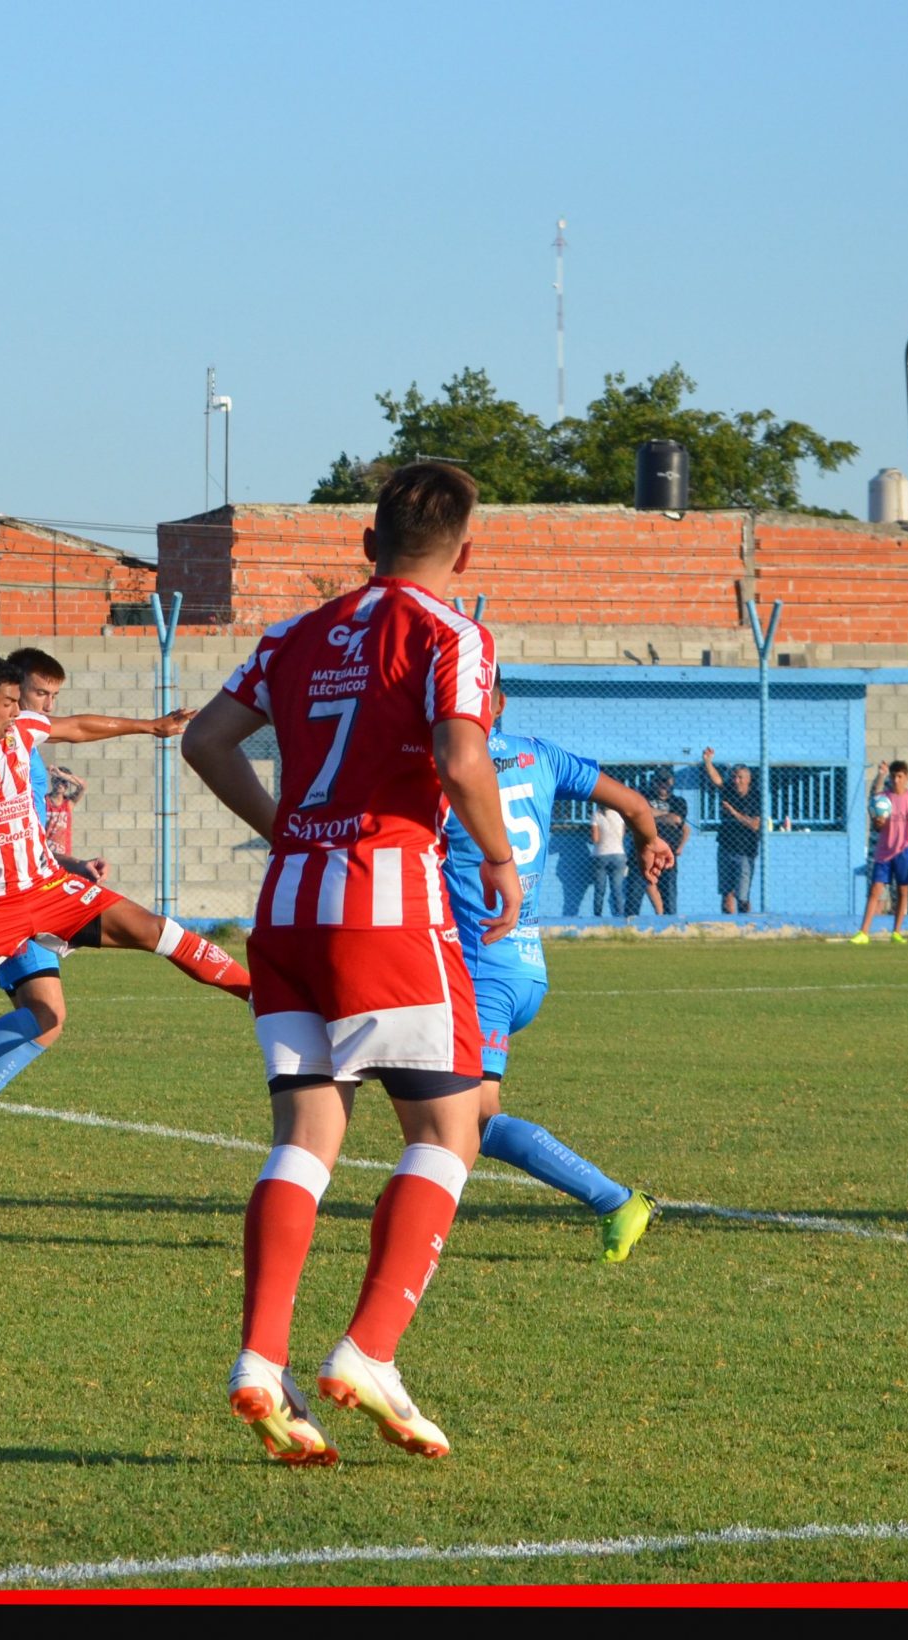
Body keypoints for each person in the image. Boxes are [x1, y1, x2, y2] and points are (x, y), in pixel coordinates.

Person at [180, 460, 516, 1467]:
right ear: (464, 553)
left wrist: (287, 827)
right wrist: (498, 856)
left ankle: (259, 1359)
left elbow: (204, 742)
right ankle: (370, 1348)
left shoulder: (292, 636)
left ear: (365, 546)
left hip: (286, 907)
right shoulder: (450, 632)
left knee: (309, 1129)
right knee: (451, 1125)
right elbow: (459, 758)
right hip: (385, 900)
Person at [0, 656, 248, 1155]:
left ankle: (257, 995)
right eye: (14, 701)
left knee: (152, 930)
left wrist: (150, 727)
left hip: (50, 889)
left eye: (26, 700)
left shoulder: (22, 733)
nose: (23, 711)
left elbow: (77, 726)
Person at [443, 687, 668, 1261]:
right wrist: (649, 843)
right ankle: (414, 1210)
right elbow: (638, 806)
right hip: (526, 967)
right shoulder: (541, 755)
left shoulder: (439, 765)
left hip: (479, 966)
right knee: (436, 1102)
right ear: (499, 704)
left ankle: (615, 1200)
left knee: (476, 1117)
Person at [0, 646, 139, 1137]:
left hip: (42, 887)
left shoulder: (26, 750)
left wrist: (72, 864)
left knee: (48, 1019)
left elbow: (25, 835)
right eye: (37, 694)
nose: (46, 706)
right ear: (8, 694)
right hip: (4, 903)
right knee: (45, 1014)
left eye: (53, 697)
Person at [852, 759, 908, 945]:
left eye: (900, 776)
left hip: (904, 851)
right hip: (884, 852)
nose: (896, 780)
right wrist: (878, 823)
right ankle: (863, 933)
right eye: (893, 776)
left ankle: (897, 932)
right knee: (875, 890)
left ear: (906, 777)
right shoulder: (883, 798)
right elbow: (876, 822)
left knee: (902, 891)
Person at [699, 748, 763, 913]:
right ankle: (727, 925)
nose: (736, 781)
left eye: (740, 777)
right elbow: (717, 781)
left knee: (742, 897)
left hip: (745, 851)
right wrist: (707, 761)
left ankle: (746, 925)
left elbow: (755, 825)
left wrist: (733, 813)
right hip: (726, 848)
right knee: (726, 894)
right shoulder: (729, 791)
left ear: (748, 779)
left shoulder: (755, 797)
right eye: (734, 776)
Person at [641, 768, 689, 916]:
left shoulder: (678, 801)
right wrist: (666, 816)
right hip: (646, 851)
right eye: (659, 781)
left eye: (666, 782)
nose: (663, 785)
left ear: (671, 783)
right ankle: (657, 914)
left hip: (668, 853)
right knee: (645, 885)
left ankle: (670, 921)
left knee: (669, 890)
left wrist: (653, 815)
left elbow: (677, 820)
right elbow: (641, 815)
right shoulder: (644, 798)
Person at [583, 801, 629, 917]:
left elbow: (595, 839)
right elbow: (622, 834)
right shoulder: (620, 814)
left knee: (599, 890)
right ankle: (620, 917)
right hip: (618, 854)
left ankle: (597, 916)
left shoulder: (597, 815)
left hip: (601, 854)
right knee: (617, 890)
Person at [43, 765, 84, 857]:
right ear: (53, 781)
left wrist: (62, 775)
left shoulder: (69, 803)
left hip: (64, 855)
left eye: (63, 781)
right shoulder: (43, 801)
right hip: (44, 853)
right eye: (58, 780)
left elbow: (82, 786)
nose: (60, 784)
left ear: (67, 785)